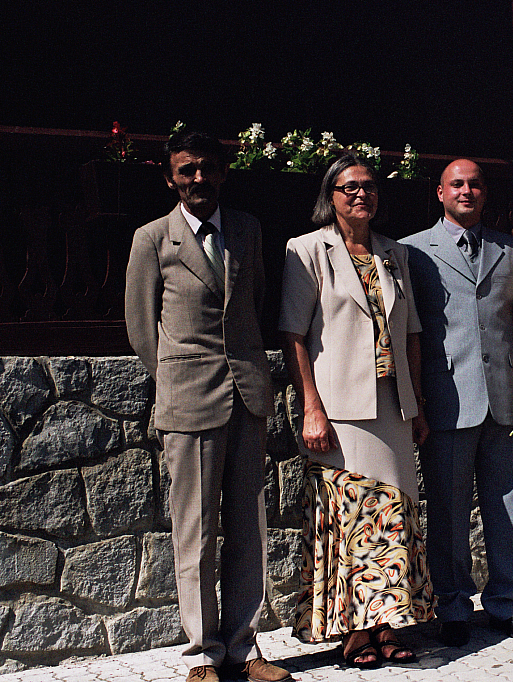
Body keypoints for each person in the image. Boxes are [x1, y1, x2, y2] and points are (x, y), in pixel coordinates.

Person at [125, 130, 291, 682]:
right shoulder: (152, 240)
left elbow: (258, 301)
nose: (199, 179)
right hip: (189, 399)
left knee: (249, 526)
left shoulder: (246, 231)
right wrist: (176, 377)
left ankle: (244, 646)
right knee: (194, 529)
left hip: (246, 395)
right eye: (187, 170)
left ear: (223, 172)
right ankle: (202, 654)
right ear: (170, 177)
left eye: (208, 169)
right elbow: (140, 327)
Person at [279, 153, 433, 669]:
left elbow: (411, 333)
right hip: (340, 408)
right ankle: (353, 631)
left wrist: (417, 405)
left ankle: (388, 624)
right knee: (349, 519)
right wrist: (311, 407)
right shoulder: (307, 251)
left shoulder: (395, 253)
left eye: (367, 186)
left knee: (393, 517)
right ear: (331, 195)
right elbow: (294, 336)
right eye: (348, 187)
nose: (359, 194)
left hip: (393, 406)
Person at [400, 159, 513, 647]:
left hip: (503, 398)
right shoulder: (413, 251)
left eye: (475, 184)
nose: (466, 190)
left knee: (507, 508)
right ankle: (454, 606)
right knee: (447, 510)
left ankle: (507, 604)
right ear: (440, 193)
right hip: (447, 399)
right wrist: (416, 400)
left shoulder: (512, 249)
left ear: (485, 193)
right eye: (457, 184)